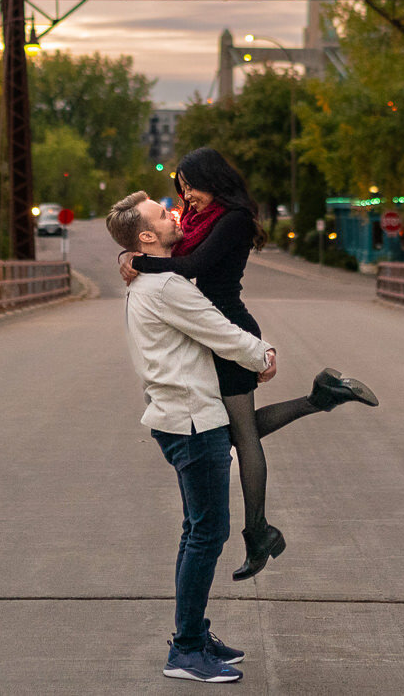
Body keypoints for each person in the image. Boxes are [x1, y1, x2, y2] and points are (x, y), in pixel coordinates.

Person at [119, 146, 379, 581]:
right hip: (213, 329)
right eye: (180, 188)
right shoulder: (201, 220)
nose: (186, 197)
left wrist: (138, 262)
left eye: (189, 185)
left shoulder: (232, 220)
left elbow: (192, 265)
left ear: (211, 179)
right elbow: (166, 246)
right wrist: (129, 255)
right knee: (233, 431)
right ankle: (322, 397)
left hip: (229, 328)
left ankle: (258, 531)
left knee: (242, 437)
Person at [106, 189, 273, 684]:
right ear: (146, 236)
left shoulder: (151, 277)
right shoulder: (166, 287)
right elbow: (217, 329)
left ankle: (194, 634)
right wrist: (263, 355)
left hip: (176, 418)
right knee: (207, 535)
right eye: (163, 213)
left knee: (196, 530)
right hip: (194, 422)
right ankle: (185, 650)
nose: (174, 213)